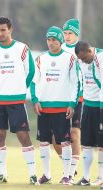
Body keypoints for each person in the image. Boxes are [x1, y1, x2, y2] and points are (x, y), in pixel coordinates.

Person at [0, 17, 37, 184]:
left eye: (3, 30)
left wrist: (19, 89)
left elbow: (30, 72)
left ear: (10, 30)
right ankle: (1, 173)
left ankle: (33, 174)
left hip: (16, 100)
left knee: (23, 135)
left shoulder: (22, 49)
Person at [30, 26, 79, 185]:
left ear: (60, 41)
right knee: (44, 142)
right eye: (48, 40)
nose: (51, 43)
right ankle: (47, 174)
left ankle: (66, 175)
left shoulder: (70, 59)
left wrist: (72, 103)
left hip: (62, 107)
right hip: (44, 107)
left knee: (65, 142)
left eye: (54, 40)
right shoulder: (40, 59)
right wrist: (35, 100)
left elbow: (75, 83)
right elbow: (34, 82)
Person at [52, 19, 82, 182]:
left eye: (70, 33)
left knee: (75, 135)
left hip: (79, 98)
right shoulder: (58, 48)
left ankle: (70, 173)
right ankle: (69, 166)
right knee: (55, 140)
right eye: (65, 33)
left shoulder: (81, 49)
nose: (67, 36)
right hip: (60, 99)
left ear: (76, 34)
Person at [74, 41, 103, 186]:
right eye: (81, 59)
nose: (83, 61)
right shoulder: (81, 62)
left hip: (100, 106)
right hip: (88, 106)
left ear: (90, 52)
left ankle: (101, 177)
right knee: (86, 143)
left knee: (101, 144)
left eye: (84, 58)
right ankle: (85, 178)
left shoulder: (101, 57)